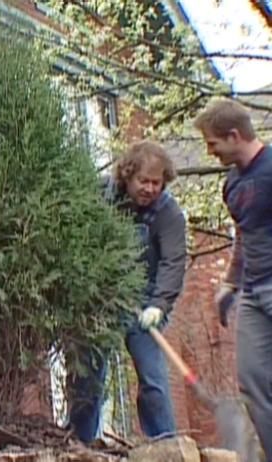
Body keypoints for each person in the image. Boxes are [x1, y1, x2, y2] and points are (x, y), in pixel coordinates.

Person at [69, 140, 186, 441]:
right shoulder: (100, 195)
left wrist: (159, 305)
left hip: (146, 301)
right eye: (143, 181)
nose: (149, 188)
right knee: (88, 376)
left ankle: (165, 445)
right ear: (127, 176)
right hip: (102, 298)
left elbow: (173, 262)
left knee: (153, 380)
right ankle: (82, 442)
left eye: (156, 183)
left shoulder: (168, 213)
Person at [194, 99, 272, 462]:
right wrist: (229, 283)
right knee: (252, 380)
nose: (211, 152)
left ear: (234, 135)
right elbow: (242, 235)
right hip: (254, 293)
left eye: (213, 144)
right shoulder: (232, 184)